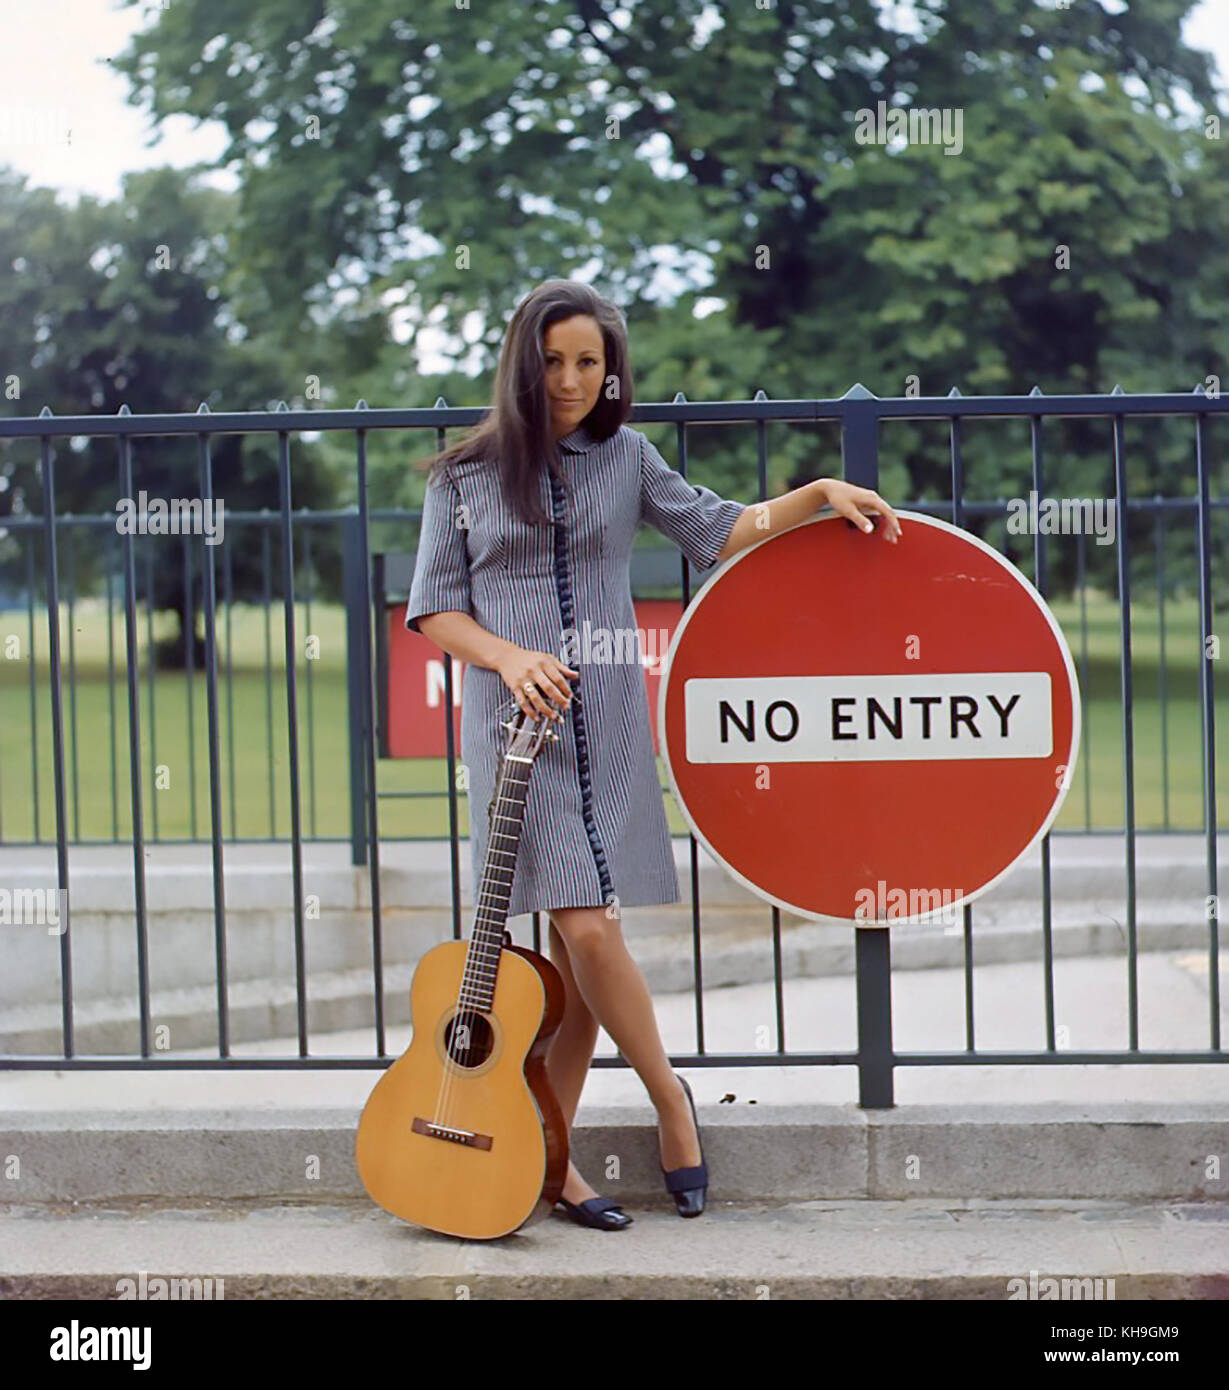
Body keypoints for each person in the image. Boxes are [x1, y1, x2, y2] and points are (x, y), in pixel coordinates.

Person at [406, 279, 901, 1229]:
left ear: (611, 372)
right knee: (589, 931)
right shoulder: (461, 478)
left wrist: (814, 495)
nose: (570, 380)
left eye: (588, 363)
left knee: (579, 953)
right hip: (517, 733)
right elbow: (434, 609)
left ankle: (550, 1158)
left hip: (610, 723)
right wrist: (507, 657)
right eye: (553, 361)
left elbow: (718, 530)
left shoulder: (628, 458)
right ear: (521, 364)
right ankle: (671, 1099)